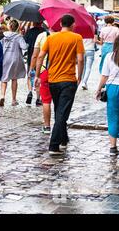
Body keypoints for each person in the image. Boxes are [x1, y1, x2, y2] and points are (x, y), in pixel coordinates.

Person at [35, 14, 85, 156]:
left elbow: (40, 56)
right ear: (73, 24)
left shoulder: (51, 38)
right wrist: (80, 76)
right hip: (68, 80)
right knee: (62, 112)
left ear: (61, 24)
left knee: (59, 110)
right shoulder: (77, 38)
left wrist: (38, 75)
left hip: (53, 79)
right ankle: (54, 145)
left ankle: (63, 139)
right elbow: (80, 59)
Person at [0, 19, 28, 107]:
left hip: (5, 58)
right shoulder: (18, 36)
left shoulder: (3, 36)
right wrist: (27, 44)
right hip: (15, 59)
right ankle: (13, 100)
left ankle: (2, 96)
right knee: (14, 79)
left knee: (4, 79)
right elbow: (24, 47)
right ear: (17, 27)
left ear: (9, 26)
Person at [30, 29, 52, 134]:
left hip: (45, 71)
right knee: (59, 101)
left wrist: (34, 72)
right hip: (61, 73)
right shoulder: (72, 37)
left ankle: (47, 126)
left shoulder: (42, 36)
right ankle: (59, 126)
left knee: (46, 101)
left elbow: (36, 56)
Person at [24, 21, 45, 105]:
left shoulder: (29, 31)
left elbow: (25, 43)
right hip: (41, 58)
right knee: (38, 76)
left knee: (30, 75)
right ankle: (38, 98)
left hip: (31, 57)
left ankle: (30, 91)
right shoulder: (44, 32)